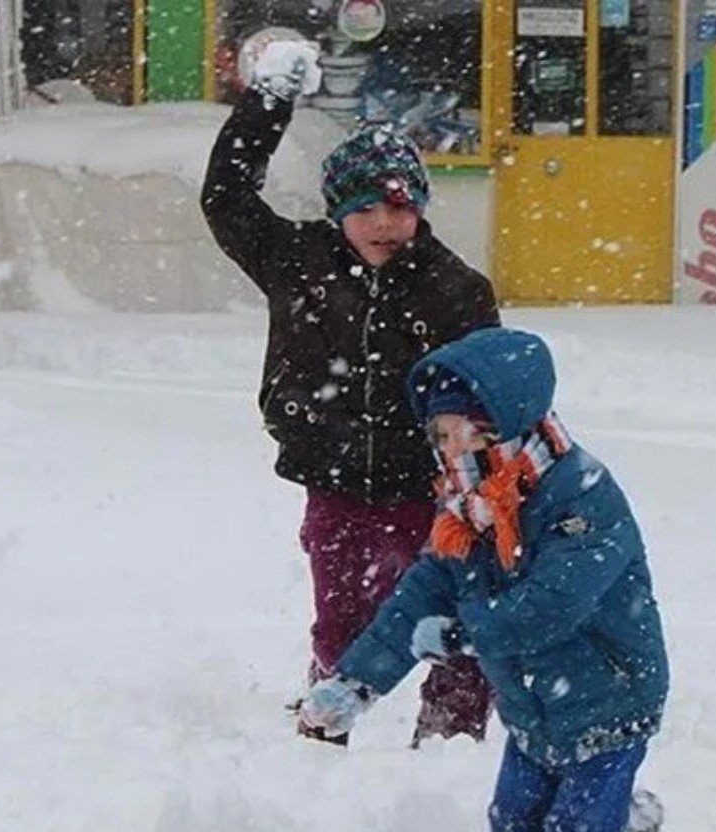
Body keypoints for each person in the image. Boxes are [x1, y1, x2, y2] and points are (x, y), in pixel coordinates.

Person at [297, 327, 668, 832]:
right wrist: (354, 685)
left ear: (496, 421)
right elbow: (420, 596)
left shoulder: (582, 497)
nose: (443, 445)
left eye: (453, 431)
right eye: (437, 433)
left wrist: (461, 636)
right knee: (515, 829)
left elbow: (552, 605)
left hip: (609, 696)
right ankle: (624, 819)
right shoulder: (467, 505)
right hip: (532, 704)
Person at [201, 40, 501, 746]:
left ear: (421, 209)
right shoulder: (297, 261)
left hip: (433, 491)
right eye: (364, 208)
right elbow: (227, 197)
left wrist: (485, 490)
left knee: (455, 626)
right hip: (334, 481)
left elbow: (489, 400)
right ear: (337, 210)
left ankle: (448, 750)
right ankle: (322, 735)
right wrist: (267, 102)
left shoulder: (456, 290)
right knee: (344, 621)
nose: (383, 224)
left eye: (399, 208)